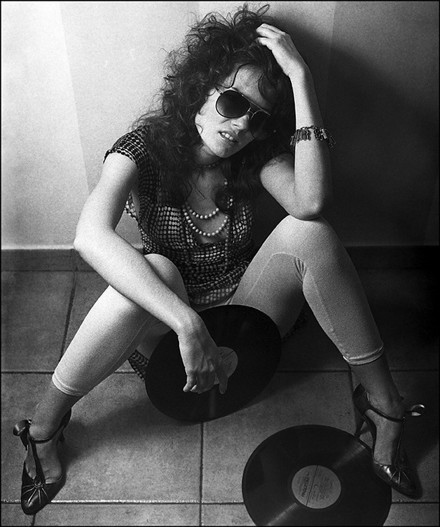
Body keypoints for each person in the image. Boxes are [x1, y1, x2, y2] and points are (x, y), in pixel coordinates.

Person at [14, 3, 423, 515]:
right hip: (170, 328)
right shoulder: (141, 149)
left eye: (258, 117)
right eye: (232, 102)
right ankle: (43, 430)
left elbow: (312, 203)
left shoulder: (252, 154)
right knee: (154, 270)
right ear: (199, 89)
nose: (241, 125)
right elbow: (89, 236)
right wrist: (187, 324)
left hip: (245, 318)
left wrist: (302, 80)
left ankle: (385, 409)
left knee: (310, 232)